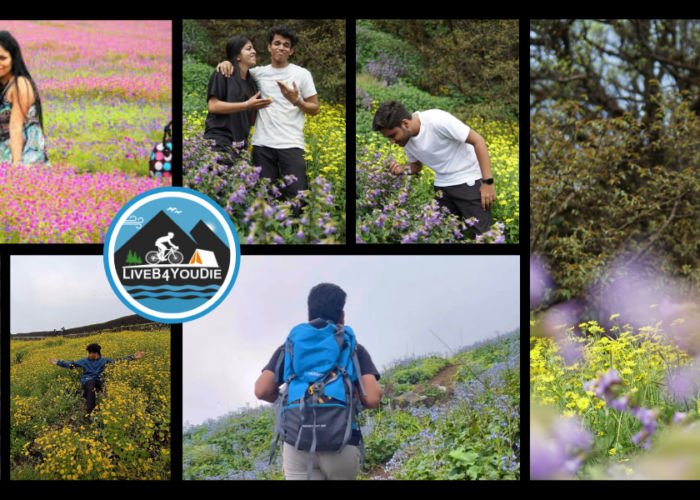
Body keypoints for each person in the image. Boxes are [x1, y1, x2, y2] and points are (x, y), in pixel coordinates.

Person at [254, 283, 382, 480]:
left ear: (309, 312)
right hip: (341, 444)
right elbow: (372, 398)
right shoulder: (352, 347)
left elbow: (262, 390)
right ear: (342, 315)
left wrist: (280, 399)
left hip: (297, 443)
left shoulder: (290, 347)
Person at [217, 24, 320, 210]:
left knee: (298, 198)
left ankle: (298, 235)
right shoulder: (256, 74)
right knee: (263, 199)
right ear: (269, 47)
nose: (281, 47)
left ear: (292, 50)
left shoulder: (303, 75)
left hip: (292, 144)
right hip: (262, 145)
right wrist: (225, 62)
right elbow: (236, 68)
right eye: (277, 43)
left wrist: (297, 101)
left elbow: (315, 109)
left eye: (286, 45)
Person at [372, 100, 496, 236]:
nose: (392, 141)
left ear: (405, 123)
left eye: (393, 136)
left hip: (469, 180)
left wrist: (487, 182)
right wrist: (401, 169)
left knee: (485, 235)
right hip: (442, 186)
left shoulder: (437, 120)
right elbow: (417, 166)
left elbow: (478, 141)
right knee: (446, 235)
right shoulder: (405, 140)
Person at [204, 35, 271, 165]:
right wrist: (246, 105)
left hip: (240, 146)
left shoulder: (252, 83)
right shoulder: (223, 74)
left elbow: (251, 120)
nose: (254, 51)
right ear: (238, 55)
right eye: (249, 48)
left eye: (253, 48)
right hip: (219, 142)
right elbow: (213, 106)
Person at [49, 343, 145, 415]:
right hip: (88, 381)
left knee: (108, 387)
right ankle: (90, 412)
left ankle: (112, 410)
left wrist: (133, 357)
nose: (88, 355)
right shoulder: (84, 361)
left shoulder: (104, 361)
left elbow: (118, 362)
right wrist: (58, 362)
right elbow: (71, 364)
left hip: (98, 381)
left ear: (95, 353)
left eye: (90, 353)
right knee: (90, 384)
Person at [0, 30, 49, 166]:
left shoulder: (21, 84)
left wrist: (17, 165)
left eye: (3, 58)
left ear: (13, 59)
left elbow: (16, 126)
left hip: (24, 154)